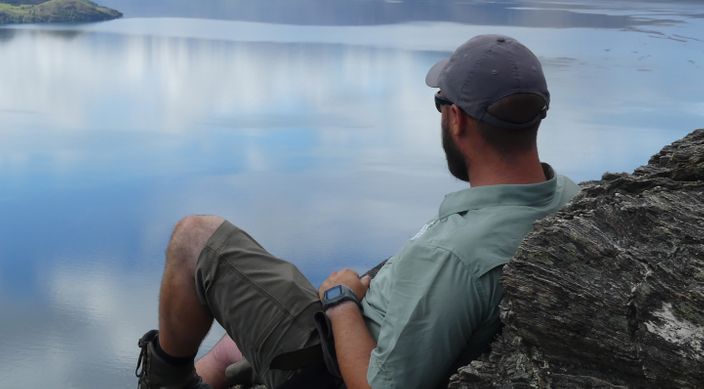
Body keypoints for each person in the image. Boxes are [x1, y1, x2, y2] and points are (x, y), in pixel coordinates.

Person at [135, 34, 581, 389]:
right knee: (232, 347)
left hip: (329, 365)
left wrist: (341, 302)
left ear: (457, 120)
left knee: (195, 240)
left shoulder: (455, 257)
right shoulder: (568, 198)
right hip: (370, 328)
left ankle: (165, 380)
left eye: (440, 103)